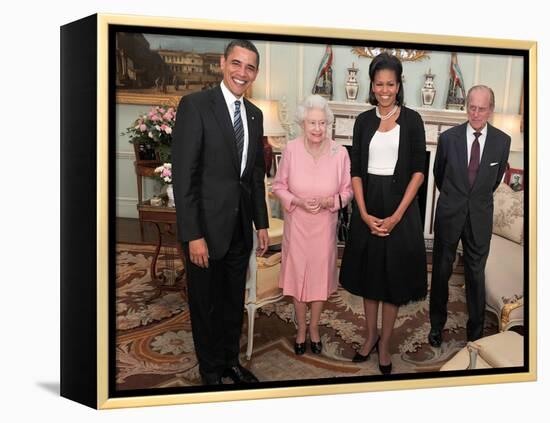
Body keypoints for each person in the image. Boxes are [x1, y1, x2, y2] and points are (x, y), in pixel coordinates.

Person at [172, 40, 269, 385]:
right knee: (206, 305)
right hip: (205, 231)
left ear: (255, 73)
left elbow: (254, 175)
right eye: (237, 64)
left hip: (241, 230)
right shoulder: (195, 106)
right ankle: (210, 370)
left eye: (250, 67)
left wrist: (261, 224)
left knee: (232, 304)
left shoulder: (255, 115)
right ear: (223, 63)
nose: (243, 73)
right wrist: (192, 234)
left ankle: (230, 361)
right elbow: (184, 178)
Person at [339, 53, 427, 375]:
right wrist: (362, 212)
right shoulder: (362, 121)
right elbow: (356, 170)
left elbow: (419, 171)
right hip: (369, 206)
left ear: (399, 84)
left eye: (390, 84)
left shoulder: (414, 120)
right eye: (379, 84)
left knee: (391, 281)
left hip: (400, 209)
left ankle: (385, 343)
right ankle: (370, 335)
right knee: (369, 277)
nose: (385, 90)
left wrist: (397, 216)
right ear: (372, 85)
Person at [428, 85, 511, 347]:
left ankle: (475, 332)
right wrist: (456, 198)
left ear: (491, 110)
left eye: (481, 108)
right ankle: (436, 326)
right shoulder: (448, 138)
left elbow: (494, 181)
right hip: (449, 214)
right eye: (471, 107)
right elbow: (439, 174)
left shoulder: (502, 142)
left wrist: (473, 200)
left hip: (479, 217)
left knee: (476, 275)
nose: (475, 113)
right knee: (441, 272)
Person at [272, 94, 353, 355]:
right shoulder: (291, 149)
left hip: (324, 227)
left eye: (321, 123)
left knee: (319, 278)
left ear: (328, 124)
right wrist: (297, 200)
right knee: (297, 278)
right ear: (302, 124)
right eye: (311, 123)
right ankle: (301, 329)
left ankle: (315, 327)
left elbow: (348, 191)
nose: (317, 129)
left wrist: (332, 201)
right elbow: (278, 186)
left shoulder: (339, 153)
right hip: (297, 225)